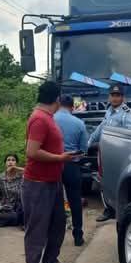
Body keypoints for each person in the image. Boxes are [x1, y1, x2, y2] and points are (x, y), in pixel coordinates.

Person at [22, 81, 76, 263]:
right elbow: (32, 152)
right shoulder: (39, 119)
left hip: (53, 181)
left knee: (58, 224)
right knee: (37, 229)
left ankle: (50, 260)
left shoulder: (48, 117)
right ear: (57, 98)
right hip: (38, 183)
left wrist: (61, 157)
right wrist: (60, 158)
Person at [88, 84, 131, 222]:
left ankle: (125, 211)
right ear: (109, 97)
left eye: (118, 96)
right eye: (113, 95)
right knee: (105, 181)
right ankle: (109, 209)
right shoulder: (109, 111)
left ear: (123, 98)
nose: (115, 98)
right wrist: (89, 141)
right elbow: (101, 127)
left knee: (121, 183)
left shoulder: (127, 114)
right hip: (106, 153)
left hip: (119, 155)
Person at [54, 95, 89, 246]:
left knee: (54, 201)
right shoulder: (79, 123)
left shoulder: (50, 119)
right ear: (72, 107)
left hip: (53, 164)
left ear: (58, 104)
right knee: (75, 201)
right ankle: (78, 236)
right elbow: (84, 149)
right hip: (71, 166)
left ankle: (55, 236)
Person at [0, 153, 24, 227]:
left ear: (16, 163)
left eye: (13, 160)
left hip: (19, 207)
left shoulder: (20, 176)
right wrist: (1, 206)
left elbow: (31, 172)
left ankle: (17, 220)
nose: (10, 162)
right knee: (14, 217)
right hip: (6, 208)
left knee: (24, 213)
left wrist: (17, 168)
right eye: (8, 160)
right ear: (5, 163)